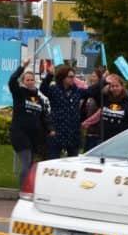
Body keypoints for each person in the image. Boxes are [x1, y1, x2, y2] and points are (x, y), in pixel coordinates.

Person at [9, 58, 53, 188]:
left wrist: (50, 128)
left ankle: (30, 188)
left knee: (32, 163)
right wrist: (22, 67)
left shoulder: (38, 98)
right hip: (20, 134)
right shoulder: (19, 93)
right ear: (23, 82)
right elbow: (12, 81)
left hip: (34, 136)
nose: (30, 82)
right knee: (26, 162)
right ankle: (24, 191)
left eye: (32, 79)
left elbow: (44, 115)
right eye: (27, 80)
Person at [40, 63, 90, 159]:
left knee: (73, 162)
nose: (73, 79)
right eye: (70, 77)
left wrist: (103, 81)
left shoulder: (76, 91)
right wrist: (50, 75)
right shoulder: (54, 90)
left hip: (73, 132)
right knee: (53, 161)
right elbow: (43, 89)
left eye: (73, 76)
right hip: (58, 131)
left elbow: (90, 91)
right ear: (63, 77)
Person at [83, 72, 128, 144]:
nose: (115, 88)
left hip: (120, 142)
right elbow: (92, 91)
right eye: (112, 86)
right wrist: (103, 81)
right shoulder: (104, 99)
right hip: (103, 141)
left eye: (117, 86)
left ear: (122, 87)